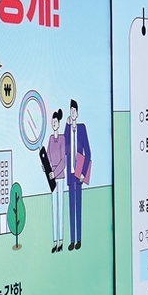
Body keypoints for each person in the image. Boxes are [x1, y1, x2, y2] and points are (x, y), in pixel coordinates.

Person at [64, 99, 90, 251]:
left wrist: (84, 173)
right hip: (70, 174)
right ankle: (72, 240)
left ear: (77, 113)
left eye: (74, 111)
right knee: (71, 207)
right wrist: (66, 126)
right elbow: (64, 148)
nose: (72, 113)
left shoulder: (82, 128)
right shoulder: (68, 130)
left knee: (78, 207)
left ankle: (79, 239)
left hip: (79, 174)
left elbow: (88, 152)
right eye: (71, 111)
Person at [45, 109, 66, 253]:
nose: (53, 124)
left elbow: (63, 161)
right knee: (54, 208)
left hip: (60, 177)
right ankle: (54, 241)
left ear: (59, 123)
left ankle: (61, 241)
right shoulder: (50, 139)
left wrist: (55, 172)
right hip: (52, 178)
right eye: (52, 122)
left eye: (55, 122)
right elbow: (47, 156)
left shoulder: (62, 139)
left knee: (61, 208)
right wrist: (45, 167)